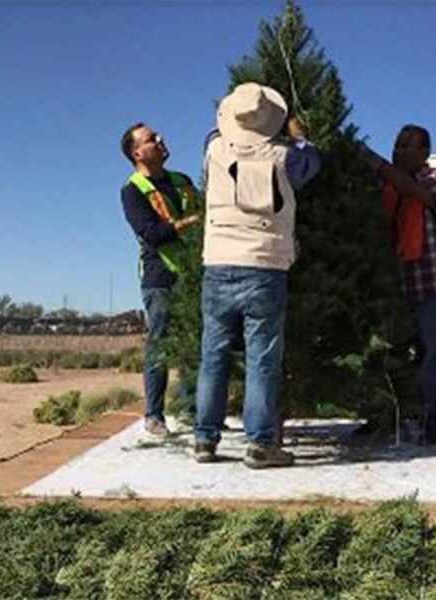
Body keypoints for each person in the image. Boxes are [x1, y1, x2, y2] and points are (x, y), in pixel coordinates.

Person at [194, 82, 320, 468]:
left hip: (217, 262)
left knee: (212, 354)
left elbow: (217, 133)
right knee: (261, 357)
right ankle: (261, 443)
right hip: (264, 266)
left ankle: (204, 439)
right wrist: (299, 134)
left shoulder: (213, 149)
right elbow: (312, 162)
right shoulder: (286, 156)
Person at [358, 125, 436, 445]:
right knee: (388, 354)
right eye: (396, 146)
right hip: (396, 285)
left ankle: (434, 421)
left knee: (432, 354)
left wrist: (377, 164)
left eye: (406, 146)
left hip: (429, 284)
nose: (398, 152)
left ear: (424, 152)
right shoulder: (385, 186)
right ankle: (384, 417)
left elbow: (417, 193)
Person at [120, 123, 200, 436]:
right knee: (161, 343)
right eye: (151, 139)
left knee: (196, 339)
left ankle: (195, 411)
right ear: (137, 153)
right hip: (160, 276)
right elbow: (151, 233)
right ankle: (154, 415)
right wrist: (189, 223)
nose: (160, 140)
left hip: (194, 272)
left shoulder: (182, 181)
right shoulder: (133, 189)